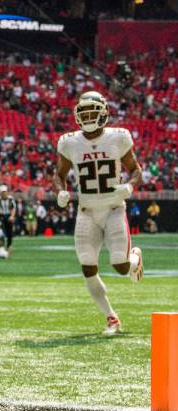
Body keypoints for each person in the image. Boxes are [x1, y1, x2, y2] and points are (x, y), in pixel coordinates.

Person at [54, 91, 144, 335]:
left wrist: (130, 185)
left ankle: (135, 258)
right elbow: (59, 174)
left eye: (93, 112)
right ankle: (111, 318)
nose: (89, 117)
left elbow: (136, 169)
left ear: (104, 112)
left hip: (114, 208)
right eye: (84, 113)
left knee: (121, 266)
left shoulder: (118, 137)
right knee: (87, 266)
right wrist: (60, 191)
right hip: (86, 211)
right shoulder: (69, 142)